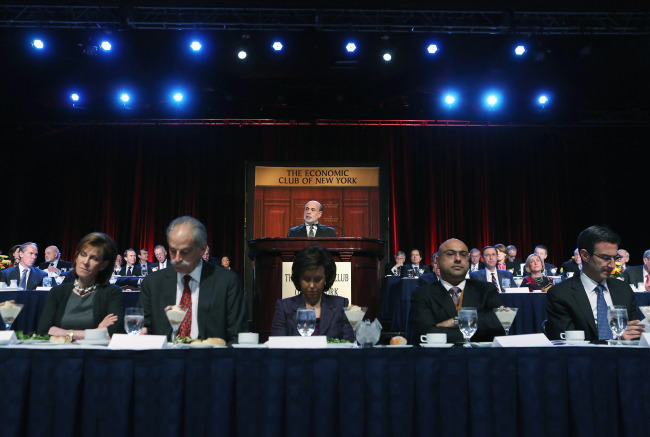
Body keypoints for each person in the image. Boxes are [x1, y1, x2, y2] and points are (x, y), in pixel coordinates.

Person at [138, 216, 246, 342]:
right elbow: (144, 328)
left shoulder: (226, 282)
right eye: (173, 251)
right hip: (164, 359)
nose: (177, 259)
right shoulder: (153, 284)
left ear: (202, 249)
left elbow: (237, 336)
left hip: (211, 359)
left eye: (185, 252)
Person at [546, 226, 644, 341]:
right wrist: (615, 340)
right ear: (585, 255)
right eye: (605, 258)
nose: (612, 265)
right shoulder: (561, 294)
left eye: (615, 258)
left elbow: (633, 335)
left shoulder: (623, 289)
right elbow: (568, 345)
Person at [409, 238, 504, 344]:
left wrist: (456, 321)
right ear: (437, 260)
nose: (458, 259)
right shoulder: (422, 294)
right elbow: (424, 334)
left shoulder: (486, 290)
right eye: (450, 254)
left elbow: (500, 325)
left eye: (463, 255)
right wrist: (476, 330)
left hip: (481, 358)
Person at [37, 233, 123, 339]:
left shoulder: (112, 292)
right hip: (59, 353)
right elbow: (43, 332)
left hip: (94, 353)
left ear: (103, 265)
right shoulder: (58, 292)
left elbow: (111, 335)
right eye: (83, 254)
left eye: (94, 258)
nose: (85, 262)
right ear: (77, 256)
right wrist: (95, 333)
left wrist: (61, 333)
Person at [271, 245, 354, 341]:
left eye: (317, 279)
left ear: (326, 278)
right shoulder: (284, 307)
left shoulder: (340, 305)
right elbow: (277, 348)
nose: (311, 285)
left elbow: (348, 346)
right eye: (306, 279)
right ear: (299, 279)